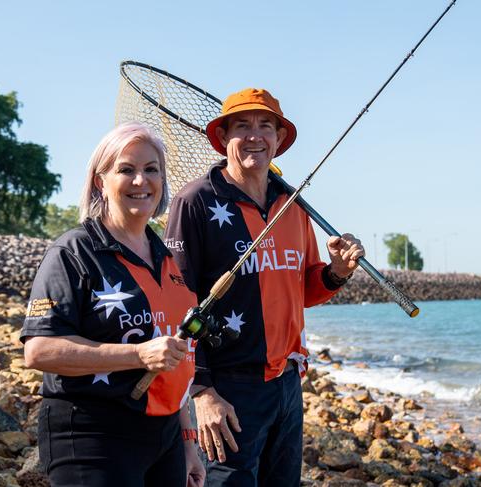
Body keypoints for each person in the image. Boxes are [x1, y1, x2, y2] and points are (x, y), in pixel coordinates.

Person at [164, 88, 364, 486]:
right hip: (228, 387)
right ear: (223, 138)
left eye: (265, 126)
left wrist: (337, 272)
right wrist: (201, 391)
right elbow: (174, 302)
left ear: (278, 139)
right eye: (242, 126)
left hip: (287, 384)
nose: (255, 136)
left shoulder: (292, 204)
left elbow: (304, 289)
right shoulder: (196, 201)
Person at [21, 123, 205, 487]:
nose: (141, 181)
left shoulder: (167, 259)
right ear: (100, 181)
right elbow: (39, 351)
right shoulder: (73, 252)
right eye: (126, 169)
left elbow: (177, 361)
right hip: (93, 435)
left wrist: (187, 444)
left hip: (164, 437)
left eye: (152, 169)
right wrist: (137, 356)